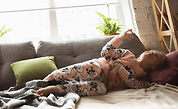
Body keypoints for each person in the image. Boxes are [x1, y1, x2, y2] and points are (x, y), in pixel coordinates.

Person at [36, 29, 167, 97]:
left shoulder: (141, 78)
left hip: (104, 83)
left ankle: (56, 89)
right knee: (93, 68)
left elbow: (134, 85)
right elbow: (106, 52)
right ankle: (51, 77)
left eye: (155, 55)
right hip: (98, 67)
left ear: (154, 66)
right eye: (152, 51)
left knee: (101, 90)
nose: (150, 52)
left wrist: (119, 68)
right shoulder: (128, 54)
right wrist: (120, 38)